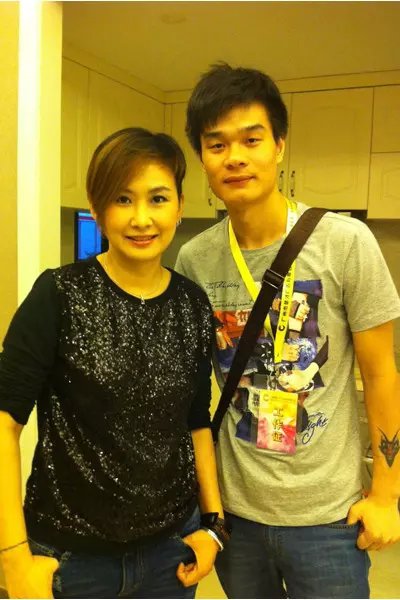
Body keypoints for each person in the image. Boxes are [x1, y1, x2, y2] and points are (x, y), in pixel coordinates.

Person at [175, 63, 400, 599]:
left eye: (251, 139)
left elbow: (381, 375)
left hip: (328, 518)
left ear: (279, 145)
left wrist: (387, 494)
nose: (234, 157)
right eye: (216, 144)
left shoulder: (346, 242)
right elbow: (186, 394)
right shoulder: (194, 260)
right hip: (236, 516)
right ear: (202, 158)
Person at [0, 127, 230, 599]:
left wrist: (213, 525)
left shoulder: (192, 304)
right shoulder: (59, 294)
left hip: (170, 556)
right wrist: (13, 557)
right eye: (123, 199)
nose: (141, 219)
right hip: (70, 560)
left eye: (158, 199)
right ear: (98, 208)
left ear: (179, 206)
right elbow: (4, 423)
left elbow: (196, 421)